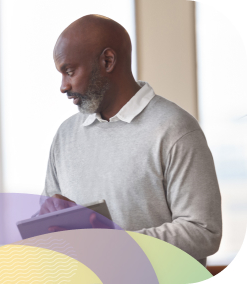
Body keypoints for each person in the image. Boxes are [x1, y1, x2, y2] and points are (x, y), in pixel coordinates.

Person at [39, 15, 222, 266]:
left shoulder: (175, 129)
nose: (63, 86)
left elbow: (204, 232)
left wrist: (119, 245)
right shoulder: (65, 135)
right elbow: (51, 220)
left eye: (69, 71)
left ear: (108, 61)